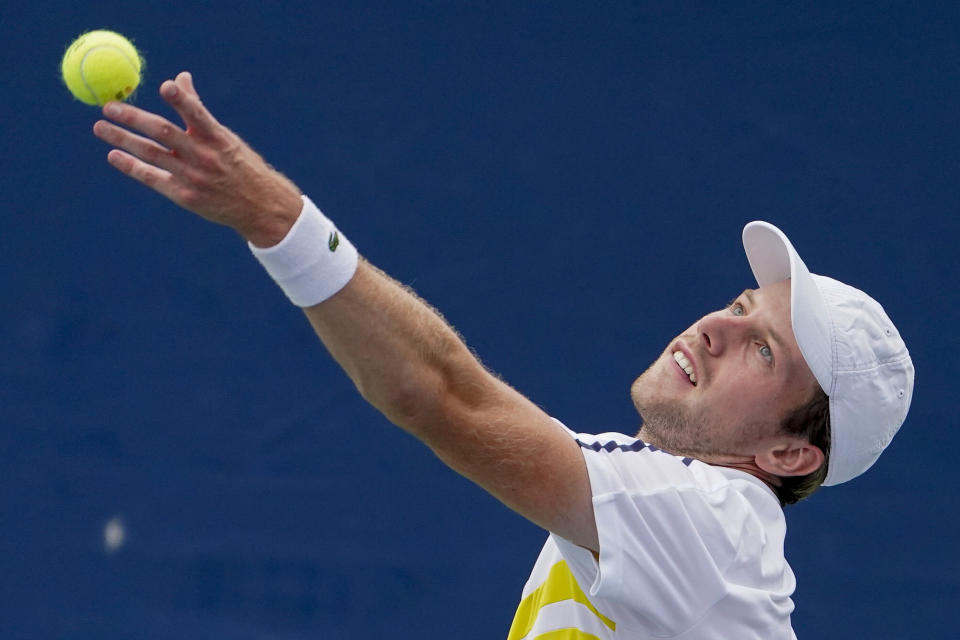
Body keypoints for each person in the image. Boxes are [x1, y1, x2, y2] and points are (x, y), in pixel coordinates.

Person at [92, 72, 914, 639]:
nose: (715, 329)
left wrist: (276, 218)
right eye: (739, 306)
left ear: (787, 452)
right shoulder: (657, 490)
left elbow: (440, 395)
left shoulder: (712, 528)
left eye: (762, 351)